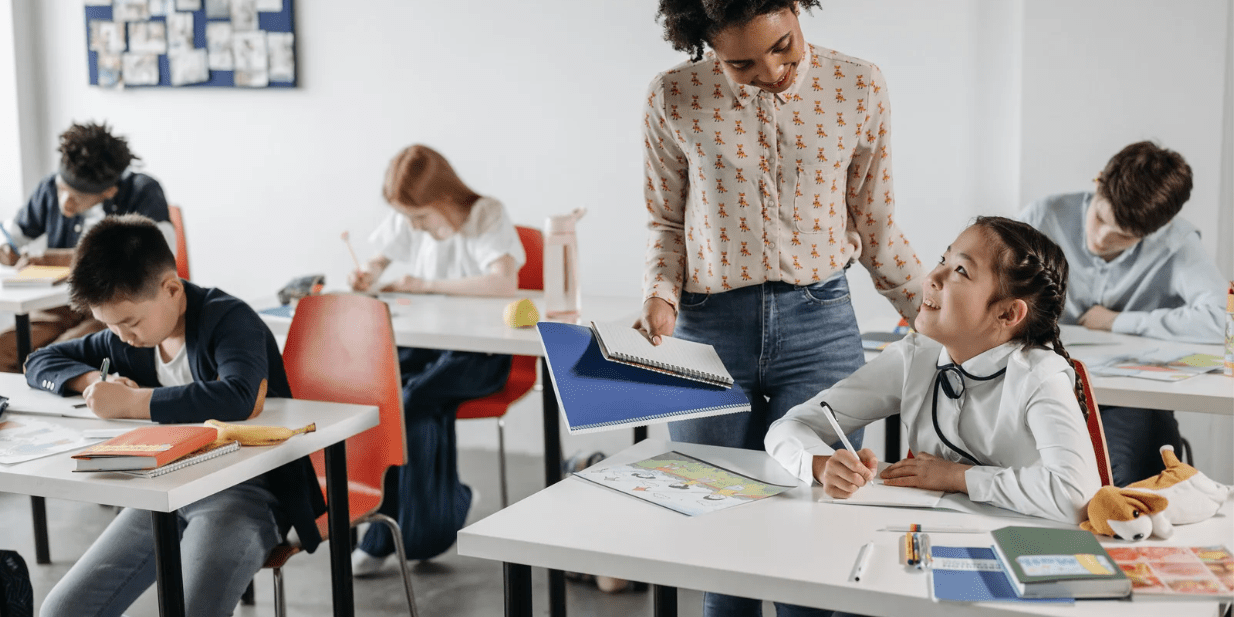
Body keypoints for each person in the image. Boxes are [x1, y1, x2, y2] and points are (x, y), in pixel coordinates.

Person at [634, 3, 923, 613]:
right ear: (705, 48)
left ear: (797, 9)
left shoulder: (858, 85)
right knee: (721, 528)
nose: (772, 71)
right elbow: (665, 221)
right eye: (741, 62)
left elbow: (875, 223)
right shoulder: (674, 96)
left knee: (815, 527)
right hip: (707, 328)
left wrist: (934, 314)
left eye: (784, 46)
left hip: (821, 324)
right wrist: (660, 294)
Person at [25, 214, 324, 617]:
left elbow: (239, 394)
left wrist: (133, 404)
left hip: (246, 492)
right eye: (111, 327)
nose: (122, 337)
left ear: (171, 289)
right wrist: (91, 379)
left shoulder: (230, 320)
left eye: (129, 322)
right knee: (61, 610)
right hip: (163, 489)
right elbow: (39, 360)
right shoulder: (132, 337)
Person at [766, 216, 1102, 526]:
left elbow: (1076, 496)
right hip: (927, 541)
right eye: (944, 260)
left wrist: (956, 477)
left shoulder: (1039, 376)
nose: (932, 278)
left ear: (1008, 314)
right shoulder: (915, 357)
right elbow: (789, 427)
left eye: (960, 271)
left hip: (1023, 550)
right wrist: (819, 464)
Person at [347, 144, 524, 575]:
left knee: (413, 400)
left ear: (444, 198)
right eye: (408, 218)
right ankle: (439, 510)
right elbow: (378, 258)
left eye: (420, 218)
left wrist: (426, 285)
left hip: (483, 354)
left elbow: (505, 282)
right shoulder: (411, 216)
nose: (414, 227)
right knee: (386, 396)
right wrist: (367, 273)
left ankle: (389, 533)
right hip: (427, 346)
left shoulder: (486, 214)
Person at [1018, 141, 1226, 486]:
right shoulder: (1043, 217)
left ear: (1156, 230)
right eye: (1099, 218)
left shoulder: (1177, 243)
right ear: (1098, 182)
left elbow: (1223, 320)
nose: (1100, 239)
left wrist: (1117, 321)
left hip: (1129, 403)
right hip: (1038, 386)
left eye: (1123, 237)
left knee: (1136, 479)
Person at [0, 121, 174, 373]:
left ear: (108, 192)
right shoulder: (49, 188)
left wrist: (52, 259)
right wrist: (7, 247)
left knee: (53, 357)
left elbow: (162, 256)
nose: (65, 203)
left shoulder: (142, 191)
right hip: (59, 305)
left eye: (77, 197)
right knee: (5, 348)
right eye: (62, 189)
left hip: (114, 307)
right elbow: (13, 233)